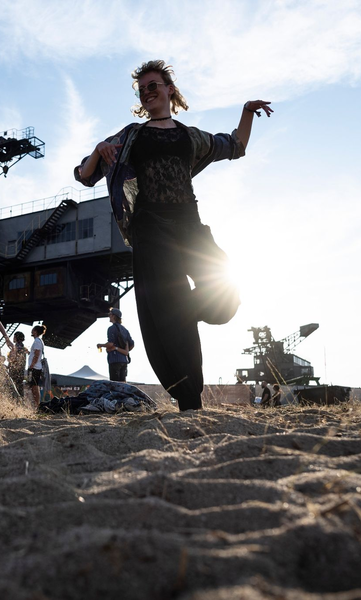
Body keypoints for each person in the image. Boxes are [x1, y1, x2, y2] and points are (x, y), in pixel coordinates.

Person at [74, 60, 272, 411]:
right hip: (150, 230)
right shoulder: (131, 135)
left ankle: (179, 312)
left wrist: (246, 112)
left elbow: (236, 145)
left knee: (227, 295)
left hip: (189, 224)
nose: (148, 92)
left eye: (155, 85)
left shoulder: (190, 136)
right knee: (172, 319)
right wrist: (98, 150)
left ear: (170, 91)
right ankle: (189, 400)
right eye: (143, 89)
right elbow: (84, 175)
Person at [97, 307, 134, 382]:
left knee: (114, 384)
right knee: (122, 384)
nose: (108, 316)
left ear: (113, 316)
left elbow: (110, 344)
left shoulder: (111, 328)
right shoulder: (125, 330)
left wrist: (100, 345)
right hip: (124, 361)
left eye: (109, 314)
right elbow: (132, 344)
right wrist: (123, 351)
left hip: (114, 360)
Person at [27, 325, 46, 407]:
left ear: (35, 331)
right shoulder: (39, 341)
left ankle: (36, 405)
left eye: (32, 330)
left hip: (35, 367)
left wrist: (32, 365)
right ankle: (36, 404)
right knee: (33, 386)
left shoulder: (37, 341)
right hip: (36, 367)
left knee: (34, 386)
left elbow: (37, 354)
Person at [7, 331, 29, 397]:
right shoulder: (23, 348)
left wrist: (8, 361)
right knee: (20, 389)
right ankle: (20, 404)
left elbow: (13, 359)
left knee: (12, 388)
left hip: (14, 371)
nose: (13, 338)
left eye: (14, 336)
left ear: (16, 337)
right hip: (21, 371)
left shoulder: (16, 346)